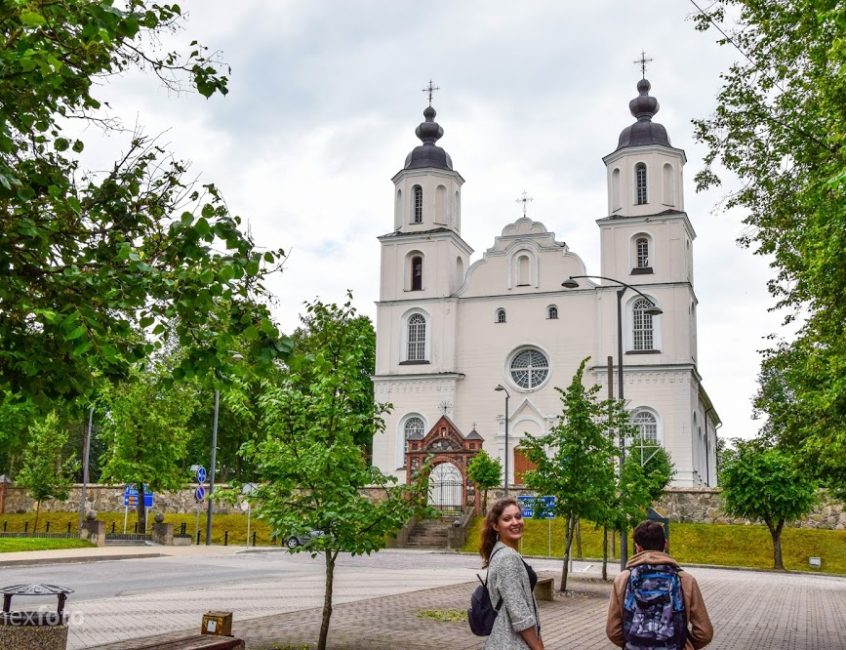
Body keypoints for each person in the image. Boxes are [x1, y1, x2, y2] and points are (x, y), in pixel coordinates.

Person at [606, 520, 713, 649]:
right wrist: (684, 644)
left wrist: (633, 644)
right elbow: (704, 633)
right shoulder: (685, 580)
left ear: (637, 547)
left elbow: (613, 631)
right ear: (665, 544)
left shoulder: (623, 579)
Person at [479, 497, 544, 650]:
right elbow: (519, 613)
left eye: (518, 516)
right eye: (507, 519)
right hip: (511, 643)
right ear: (496, 526)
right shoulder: (507, 557)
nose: (515, 522)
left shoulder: (499, 552)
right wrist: (538, 647)